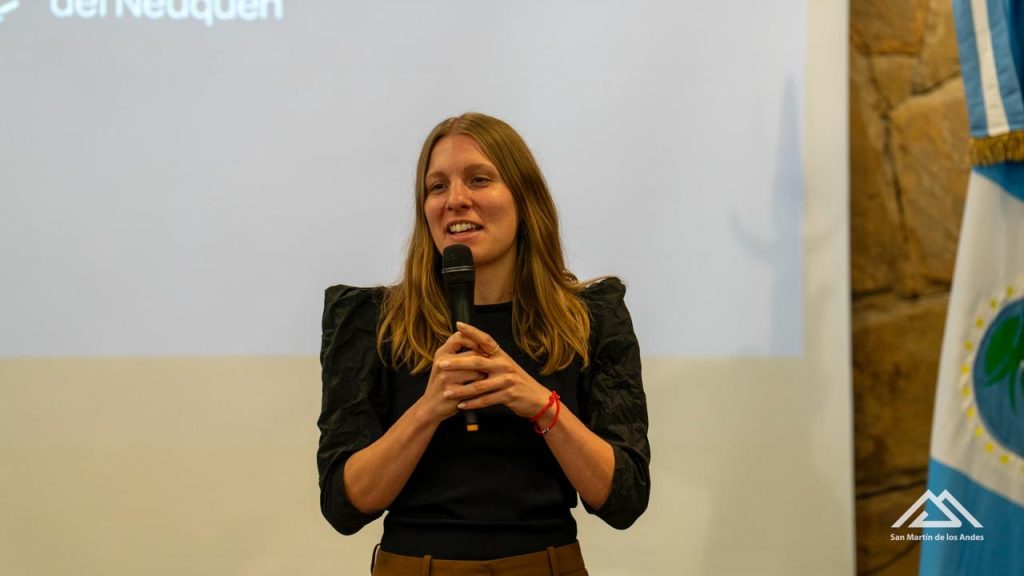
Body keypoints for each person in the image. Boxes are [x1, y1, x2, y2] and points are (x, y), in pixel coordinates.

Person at [317, 112, 650, 576]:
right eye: (437, 186)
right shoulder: (372, 321)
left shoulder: (589, 317)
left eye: (479, 179)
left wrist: (540, 405)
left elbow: (624, 499)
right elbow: (344, 505)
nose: (455, 200)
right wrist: (428, 409)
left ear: (524, 198)